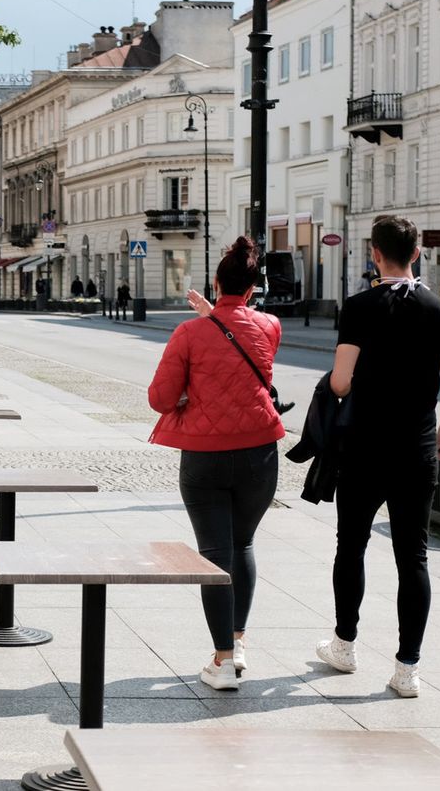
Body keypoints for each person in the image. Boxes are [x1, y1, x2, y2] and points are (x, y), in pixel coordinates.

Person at [317, 214, 440, 699]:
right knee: (413, 557)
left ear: (374, 254)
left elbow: (341, 381)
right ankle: (407, 669)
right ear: (417, 253)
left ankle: (345, 645)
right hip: (417, 450)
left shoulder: (359, 306)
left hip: (363, 448)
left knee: (351, 545)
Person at [147, 236, 286, 692]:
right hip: (259, 453)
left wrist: (190, 391)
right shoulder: (270, 326)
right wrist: (221, 314)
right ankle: (238, 644)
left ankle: (223, 661)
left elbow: (160, 399)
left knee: (214, 555)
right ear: (251, 290)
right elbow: (241, 340)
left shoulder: (188, 333)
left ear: (215, 282)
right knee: (243, 546)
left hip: (205, 459)